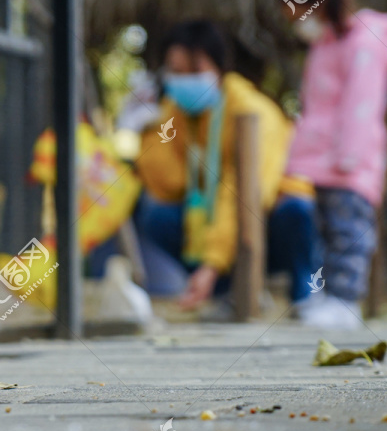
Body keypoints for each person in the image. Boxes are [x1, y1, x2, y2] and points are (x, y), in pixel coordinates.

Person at [132, 20, 317, 318]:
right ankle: (226, 295)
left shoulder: (253, 112)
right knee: (158, 217)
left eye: (187, 71)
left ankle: (306, 299)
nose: (178, 81)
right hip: (220, 218)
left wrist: (211, 264)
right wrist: (148, 131)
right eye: (173, 73)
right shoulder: (180, 113)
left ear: (212, 65)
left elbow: (244, 196)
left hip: (267, 217)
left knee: (297, 210)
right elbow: (169, 184)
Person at [280, 0, 387, 328]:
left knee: (350, 231)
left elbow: (362, 102)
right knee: (327, 231)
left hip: (350, 161)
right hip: (323, 161)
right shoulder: (325, 44)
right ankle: (330, 296)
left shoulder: (364, 42)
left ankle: (346, 301)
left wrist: (351, 155)